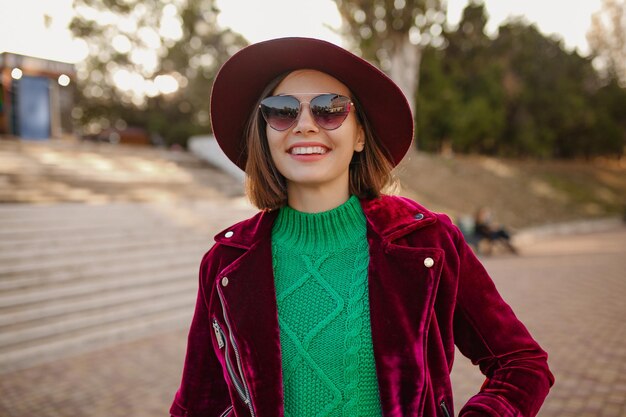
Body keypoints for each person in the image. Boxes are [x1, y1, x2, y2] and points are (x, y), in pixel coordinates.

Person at [170, 37, 553, 417]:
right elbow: (195, 407)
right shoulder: (225, 264)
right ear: (265, 132)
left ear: (359, 135)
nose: (304, 125)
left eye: (329, 109)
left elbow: (522, 364)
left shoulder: (428, 243)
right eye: (282, 110)